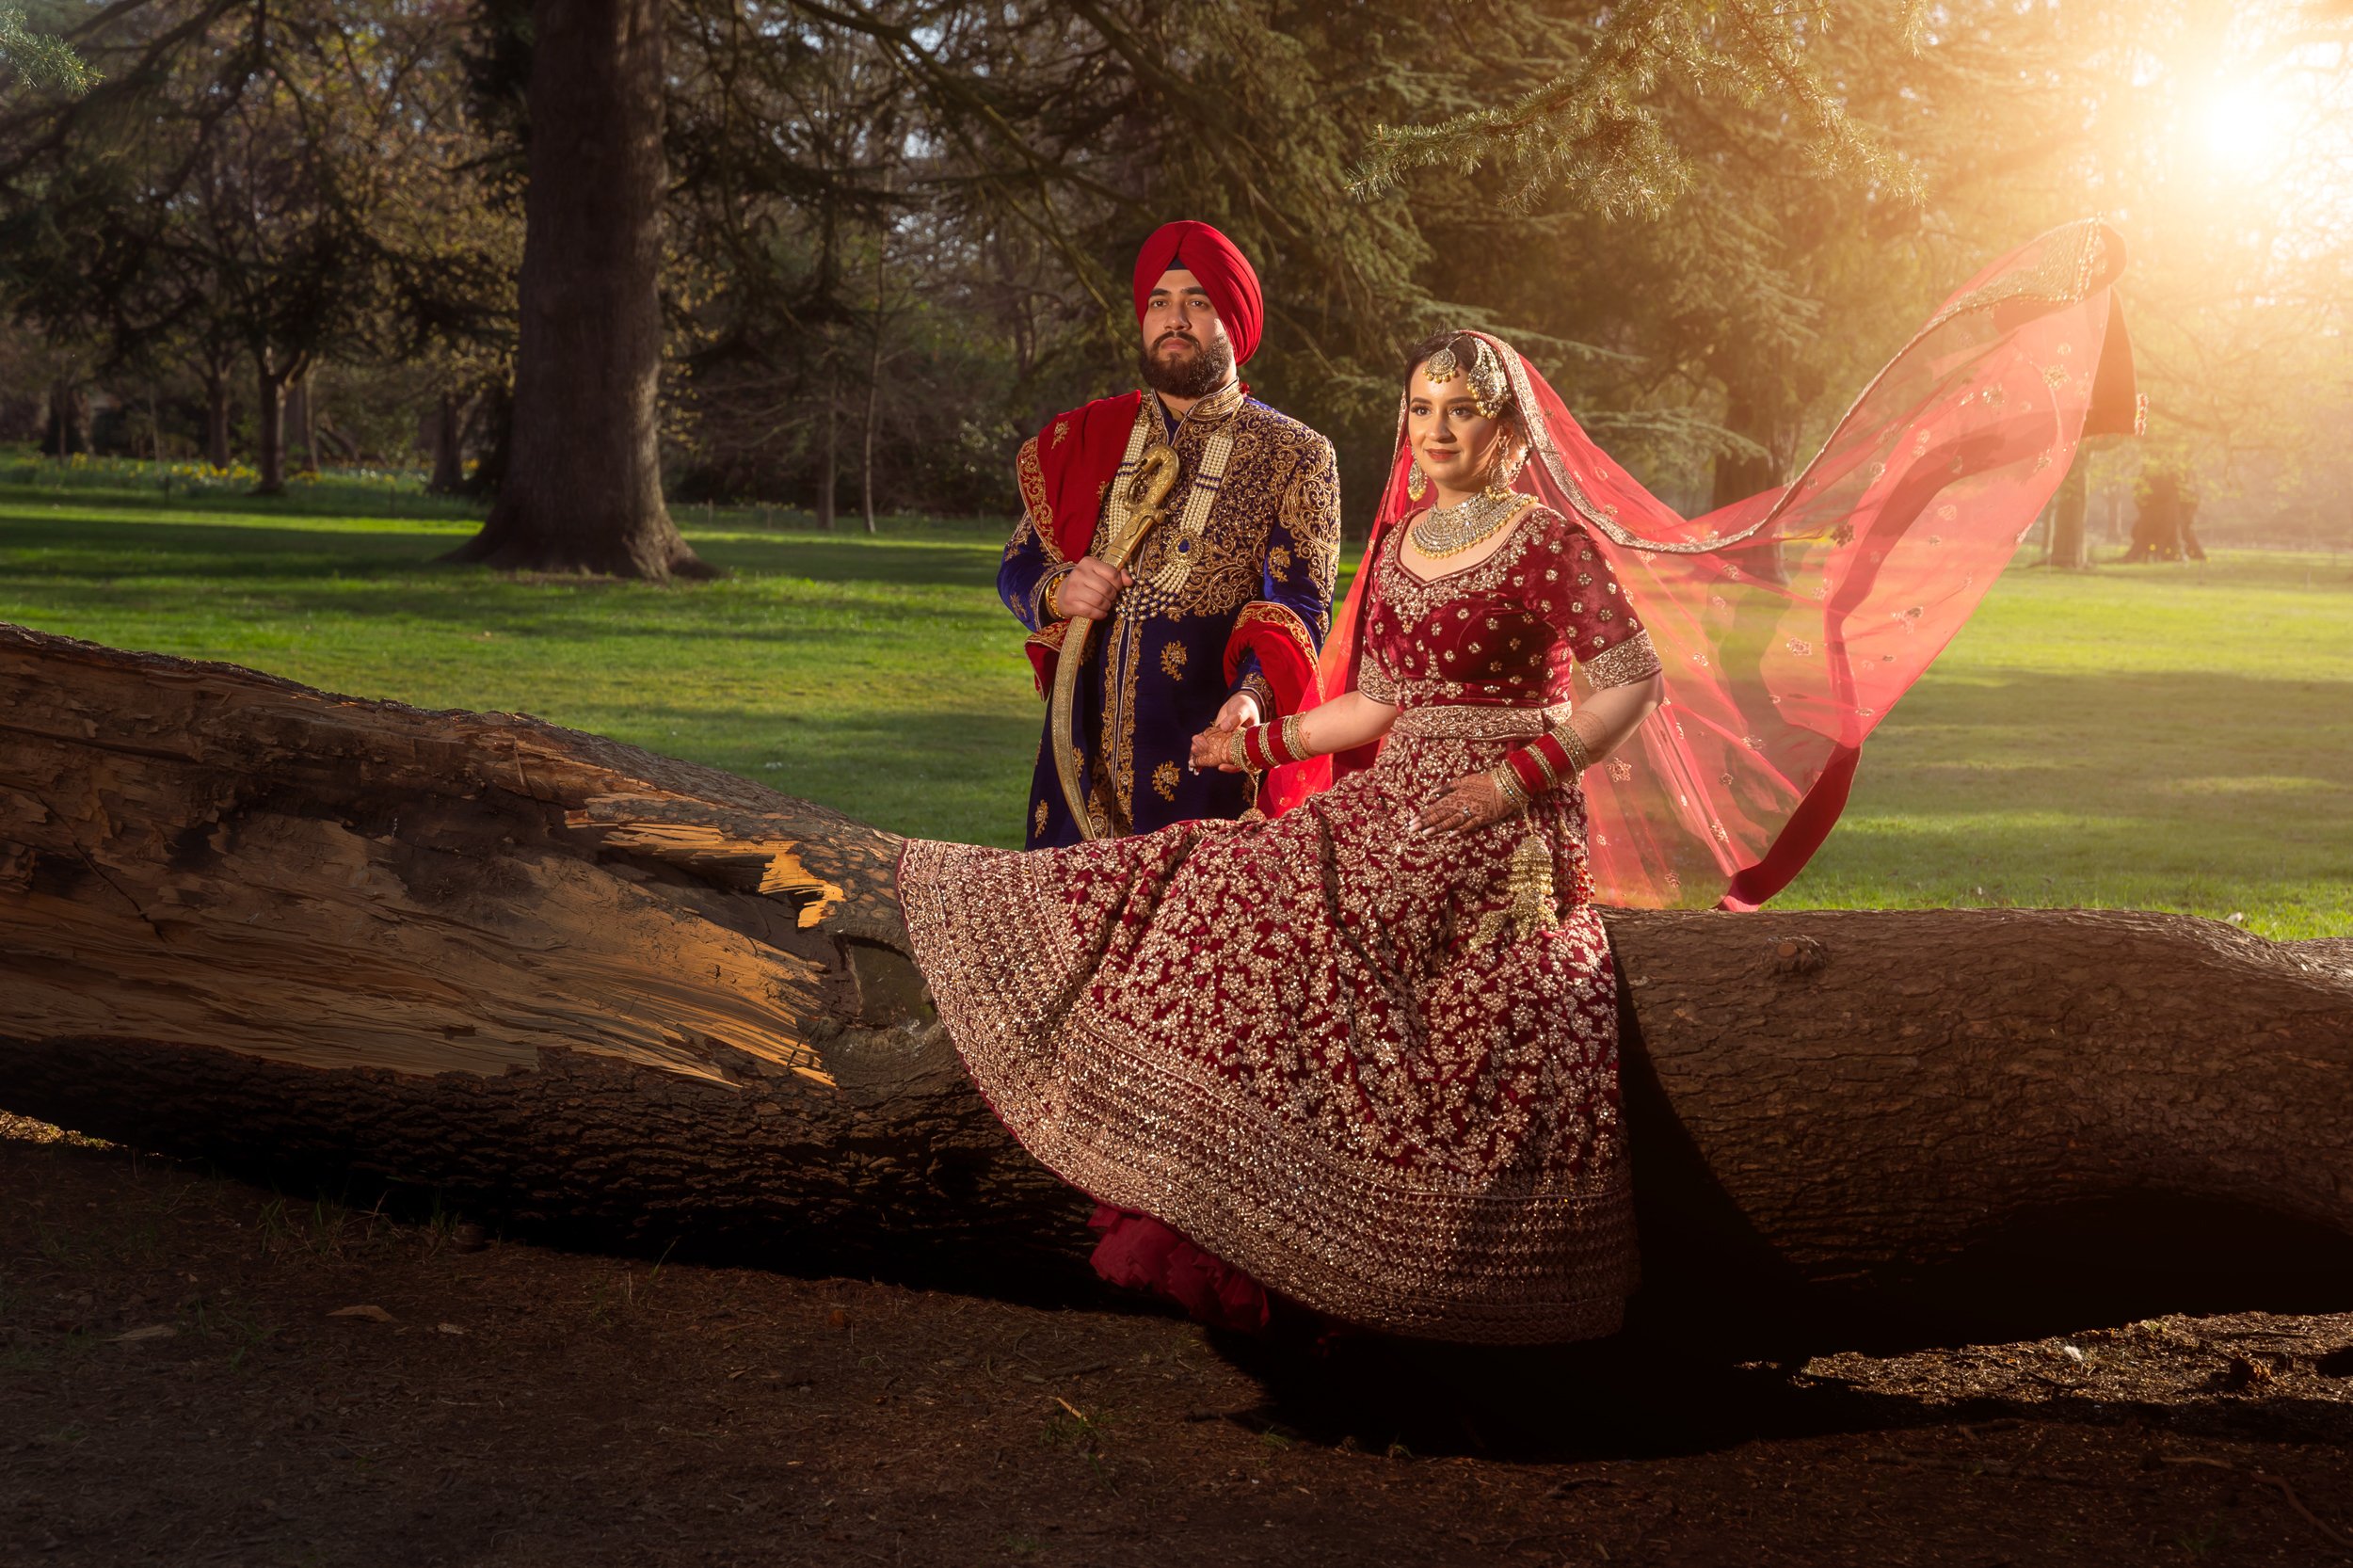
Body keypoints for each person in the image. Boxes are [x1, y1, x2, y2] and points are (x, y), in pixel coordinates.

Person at [904, 220, 2140, 1343]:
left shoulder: (1546, 543)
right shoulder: (1390, 542)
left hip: (1508, 808)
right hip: (1367, 789)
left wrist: (1514, 779)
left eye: (1460, 412)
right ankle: (1231, 1201)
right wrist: (1271, 744)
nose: (1435, 432)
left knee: (1476, 998)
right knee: (1235, 892)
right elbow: (1377, 701)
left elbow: (1626, 680)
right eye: (1420, 410)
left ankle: (1408, 1270)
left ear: (1507, 432)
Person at [996, 220, 1340, 847]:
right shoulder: (1087, 439)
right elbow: (1017, 567)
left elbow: (1300, 607)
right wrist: (1058, 591)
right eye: (1160, 302)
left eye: (1197, 302)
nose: (1174, 318)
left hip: (1208, 764)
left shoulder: (1297, 453)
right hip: (1074, 772)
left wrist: (1254, 698)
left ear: (1233, 320)